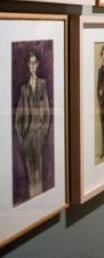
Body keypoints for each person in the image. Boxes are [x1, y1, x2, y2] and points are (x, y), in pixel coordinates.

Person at [14, 51, 52, 200]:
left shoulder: (42, 84)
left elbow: (47, 111)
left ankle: (40, 201)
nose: (32, 66)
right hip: (28, 137)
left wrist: (44, 132)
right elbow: (18, 118)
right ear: (28, 66)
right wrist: (22, 140)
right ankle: (33, 202)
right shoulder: (24, 89)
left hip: (39, 134)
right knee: (31, 173)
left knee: (39, 171)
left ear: (37, 65)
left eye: (34, 63)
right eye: (30, 63)